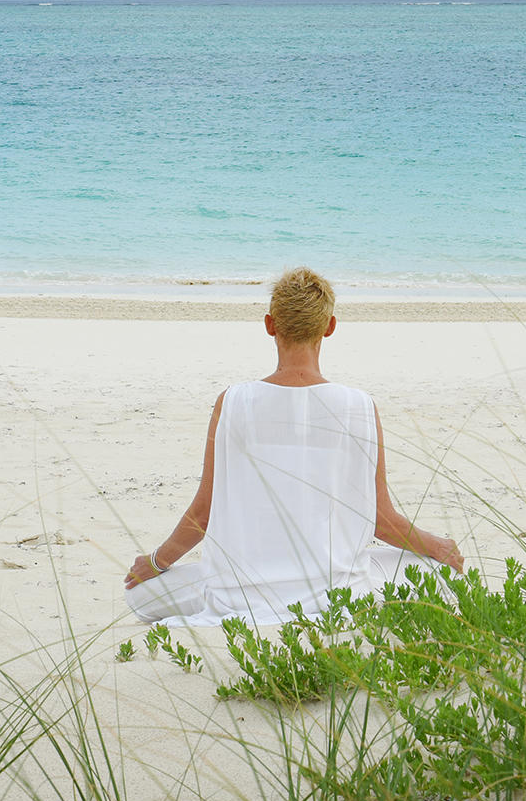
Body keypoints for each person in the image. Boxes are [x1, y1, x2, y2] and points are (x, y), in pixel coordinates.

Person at [123, 267, 465, 625]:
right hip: (336, 592)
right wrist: (439, 547)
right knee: (438, 571)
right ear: (329, 327)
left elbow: (204, 513)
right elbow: (382, 521)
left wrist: (157, 562)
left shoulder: (234, 401)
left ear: (270, 325)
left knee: (139, 594)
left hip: (241, 593)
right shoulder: (359, 405)